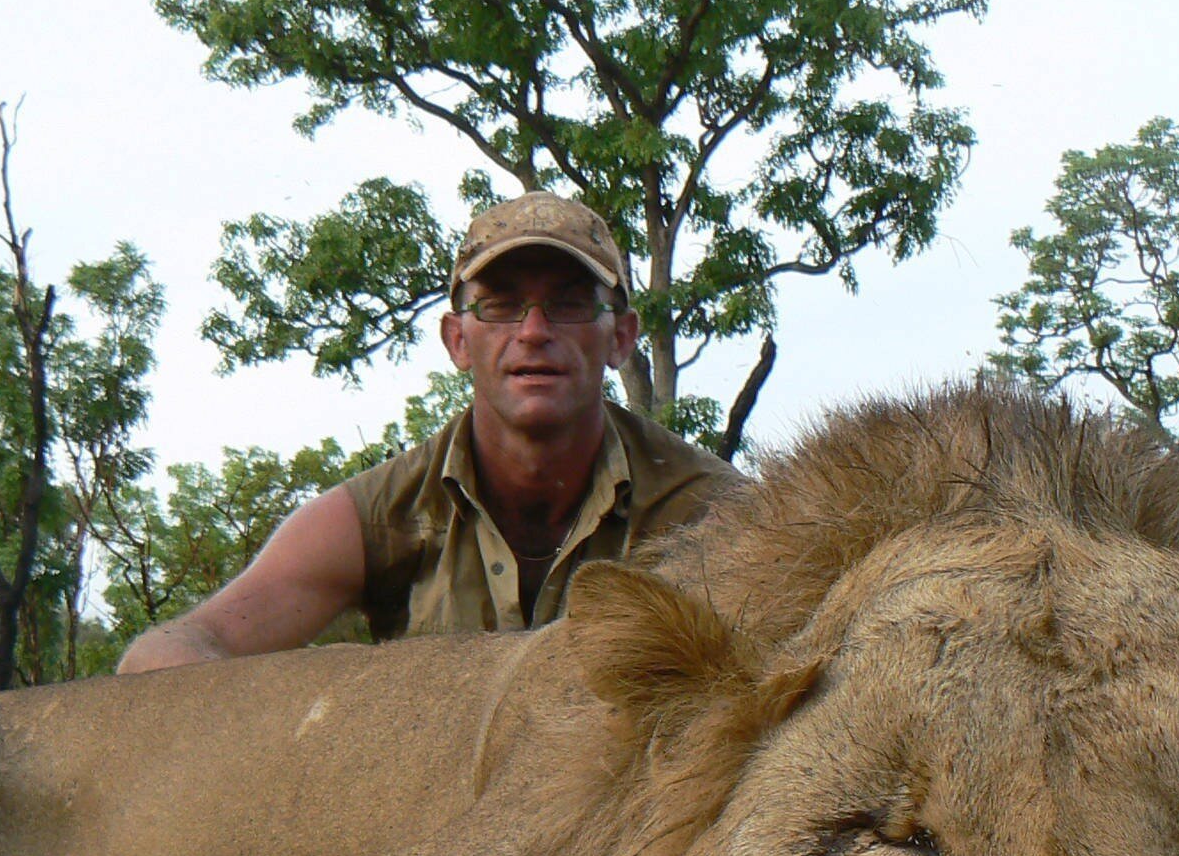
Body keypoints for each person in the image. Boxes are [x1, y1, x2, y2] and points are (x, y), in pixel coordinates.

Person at [115, 192, 736, 674]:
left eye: (570, 303)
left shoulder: (715, 510)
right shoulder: (382, 513)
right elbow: (171, 650)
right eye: (499, 304)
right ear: (457, 340)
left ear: (621, 337)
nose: (534, 330)